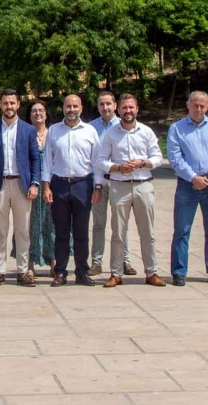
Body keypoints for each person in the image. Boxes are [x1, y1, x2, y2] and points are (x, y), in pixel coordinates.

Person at [94, 94, 165, 287]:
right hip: (119, 186)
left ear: (137, 109)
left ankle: (151, 272)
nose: (128, 111)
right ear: (119, 110)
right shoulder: (111, 135)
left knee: (147, 232)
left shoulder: (146, 132)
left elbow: (158, 158)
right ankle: (116, 273)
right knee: (118, 232)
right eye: (124, 108)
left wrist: (142, 163)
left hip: (143, 184)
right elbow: (100, 161)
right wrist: (117, 167)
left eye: (131, 107)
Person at [0, 89, 42, 288]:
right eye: (5, 103)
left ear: (18, 104)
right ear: (0, 104)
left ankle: (23, 271)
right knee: (0, 230)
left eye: (12, 103)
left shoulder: (28, 130)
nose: (9, 107)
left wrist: (35, 183)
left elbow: (34, 159)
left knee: (23, 230)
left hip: (22, 185)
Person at [167, 91, 208, 287]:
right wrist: (193, 177)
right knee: (182, 230)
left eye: (203, 105)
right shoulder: (176, 129)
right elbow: (175, 159)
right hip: (187, 185)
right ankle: (179, 272)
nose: (199, 109)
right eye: (195, 105)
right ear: (188, 105)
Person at [43, 94, 101, 287]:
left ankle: (82, 272)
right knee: (60, 231)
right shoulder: (54, 131)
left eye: (75, 106)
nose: (71, 110)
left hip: (83, 185)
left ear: (81, 108)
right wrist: (46, 185)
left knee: (81, 231)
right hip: (59, 185)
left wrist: (97, 186)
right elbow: (47, 161)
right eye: (68, 106)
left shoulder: (90, 131)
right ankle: (60, 272)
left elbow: (97, 162)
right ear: (63, 108)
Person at [89, 91, 133, 277]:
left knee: (121, 224)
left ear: (115, 105)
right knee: (99, 224)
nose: (105, 108)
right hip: (97, 182)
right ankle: (96, 262)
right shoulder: (91, 128)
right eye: (101, 104)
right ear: (97, 106)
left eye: (108, 104)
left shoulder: (124, 125)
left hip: (119, 182)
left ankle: (125, 260)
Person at [25, 100, 56, 274]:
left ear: (46, 113)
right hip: (30, 185)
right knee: (29, 224)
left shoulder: (54, 133)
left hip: (52, 185)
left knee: (52, 223)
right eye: (34, 111)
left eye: (41, 110)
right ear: (29, 115)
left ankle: (53, 261)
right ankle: (29, 263)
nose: (38, 113)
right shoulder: (25, 133)